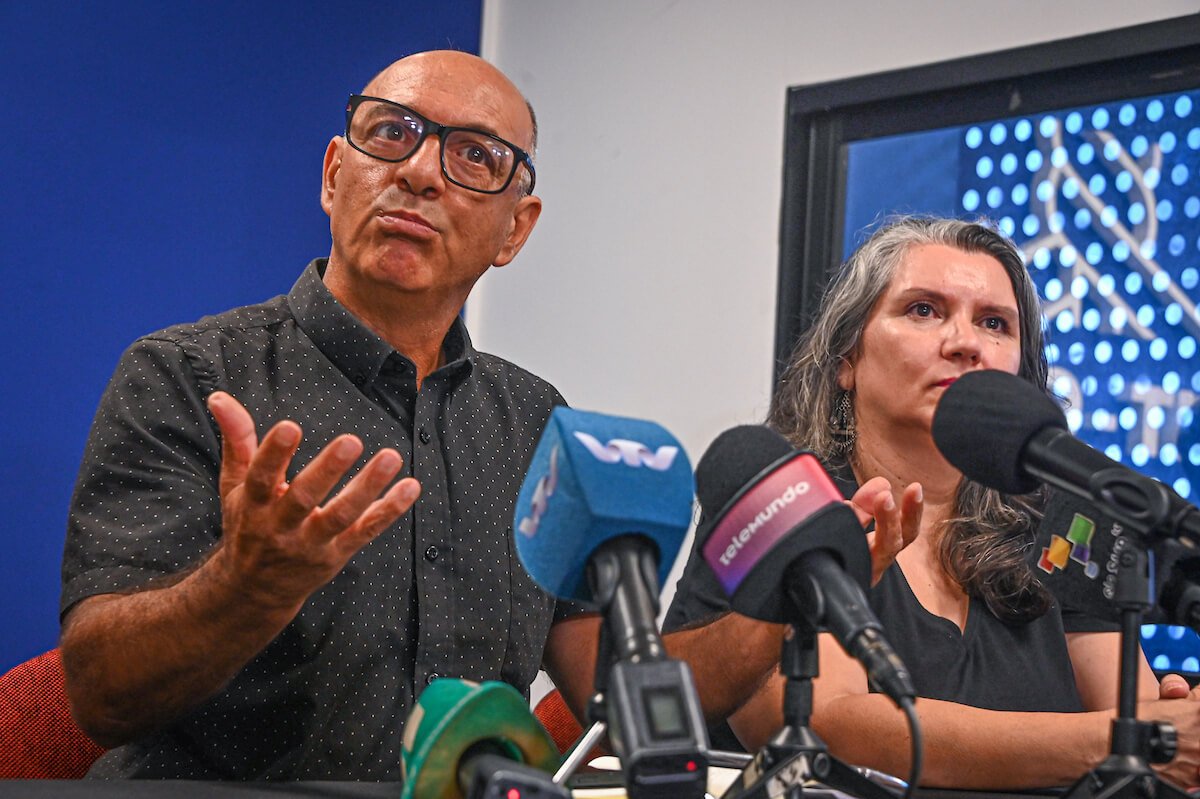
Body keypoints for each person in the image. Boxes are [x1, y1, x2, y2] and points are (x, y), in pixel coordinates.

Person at [59, 49, 593, 780]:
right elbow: (100, 693)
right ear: (334, 176)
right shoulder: (187, 375)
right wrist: (247, 587)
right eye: (391, 133)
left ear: (515, 230)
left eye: (474, 155)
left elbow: (613, 693)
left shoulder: (537, 419)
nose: (419, 172)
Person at [665, 216, 1200, 789]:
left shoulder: (1062, 518)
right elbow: (829, 726)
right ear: (847, 357)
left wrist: (1173, 727)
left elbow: (1149, 729)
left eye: (995, 323)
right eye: (923, 310)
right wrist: (1128, 740)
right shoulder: (786, 498)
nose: (965, 343)